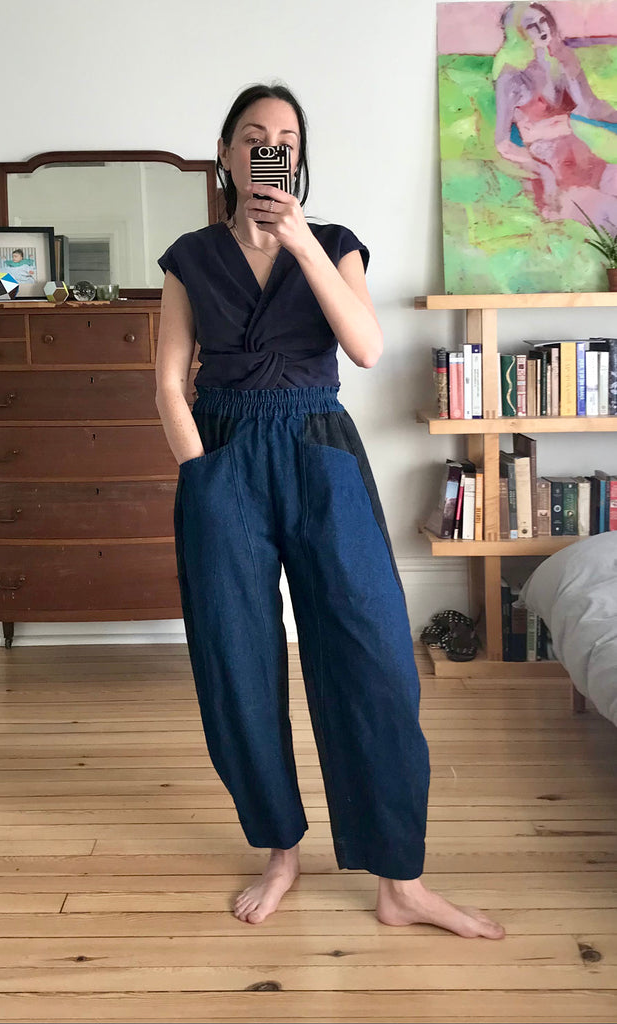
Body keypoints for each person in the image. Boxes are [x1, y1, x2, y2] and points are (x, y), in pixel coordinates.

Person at [155, 82, 505, 939]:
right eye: (251, 136)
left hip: (319, 448)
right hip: (223, 455)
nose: (267, 148)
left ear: (298, 156)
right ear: (226, 153)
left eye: (284, 138)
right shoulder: (189, 256)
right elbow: (166, 382)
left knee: (372, 656)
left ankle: (398, 881)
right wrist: (202, 475)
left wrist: (300, 241)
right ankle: (280, 851)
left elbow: (366, 346)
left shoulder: (336, 244)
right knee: (237, 662)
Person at [494, 2, 617, 229]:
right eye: (531, 25)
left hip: (588, 155)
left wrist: (570, 66)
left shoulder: (559, 61)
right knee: (608, 217)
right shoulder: (510, 77)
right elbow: (502, 144)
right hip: (557, 170)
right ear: (518, 34)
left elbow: (588, 107)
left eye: (544, 21)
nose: (542, 29)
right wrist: (544, 170)